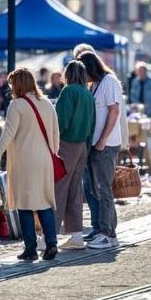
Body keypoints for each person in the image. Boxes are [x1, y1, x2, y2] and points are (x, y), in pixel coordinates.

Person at [0, 68, 60, 261]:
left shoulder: (16, 105)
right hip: (45, 160)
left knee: (24, 205)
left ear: (17, 84)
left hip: (25, 161)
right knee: (44, 202)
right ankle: (51, 243)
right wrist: (52, 153)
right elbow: (55, 134)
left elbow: (8, 134)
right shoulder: (47, 103)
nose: (10, 88)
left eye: (11, 84)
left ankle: (31, 248)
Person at [78, 51, 123, 249]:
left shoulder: (109, 81)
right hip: (95, 144)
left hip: (106, 144)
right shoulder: (95, 84)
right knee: (95, 189)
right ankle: (106, 230)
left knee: (104, 189)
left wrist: (103, 139)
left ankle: (107, 233)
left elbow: (114, 110)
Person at [53, 61, 95, 249]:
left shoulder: (68, 92)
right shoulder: (88, 94)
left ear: (68, 74)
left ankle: (49, 235)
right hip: (82, 146)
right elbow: (93, 124)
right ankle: (77, 235)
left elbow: (60, 122)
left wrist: (53, 143)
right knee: (75, 190)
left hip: (66, 145)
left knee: (58, 189)